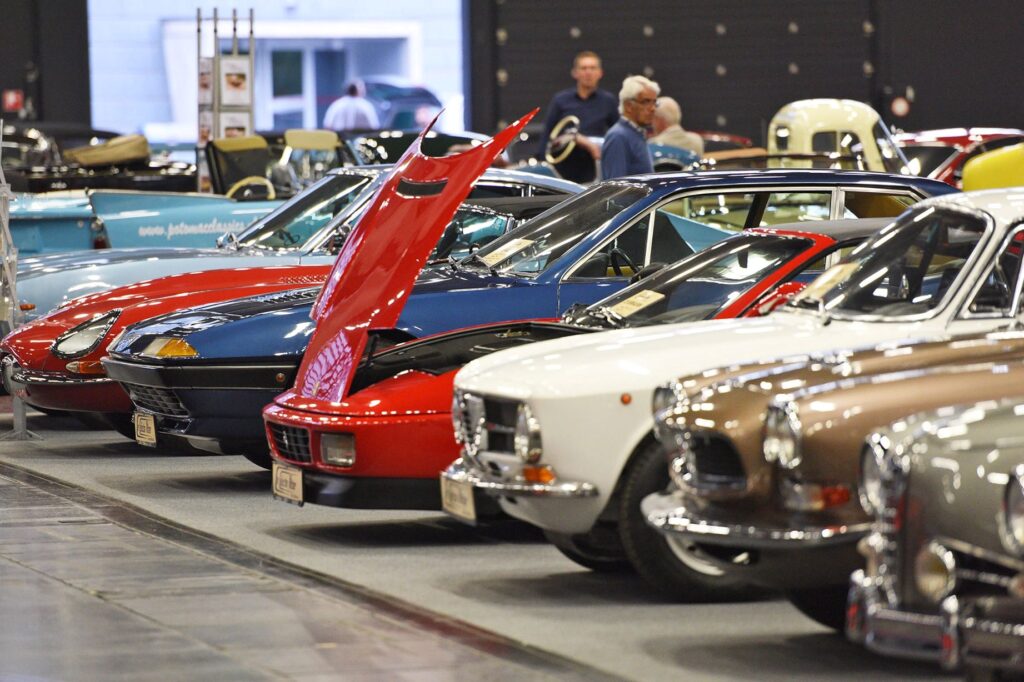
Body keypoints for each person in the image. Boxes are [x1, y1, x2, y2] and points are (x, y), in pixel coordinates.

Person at [541, 51, 618, 161]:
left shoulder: (608, 101)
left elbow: (617, 134)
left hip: (596, 161)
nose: (588, 72)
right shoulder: (560, 100)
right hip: (565, 162)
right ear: (575, 73)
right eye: (584, 68)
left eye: (592, 68)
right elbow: (547, 136)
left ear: (600, 73)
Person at [600, 75, 659, 180]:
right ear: (628, 106)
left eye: (654, 102)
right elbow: (616, 187)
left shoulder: (635, 133)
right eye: (646, 102)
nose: (653, 108)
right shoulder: (618, 137)